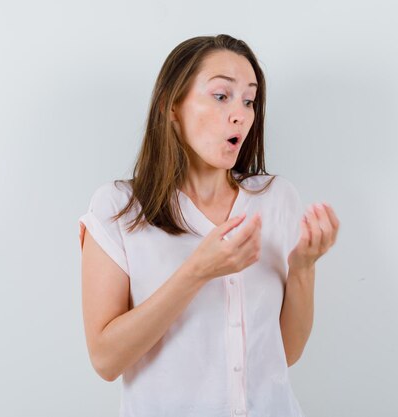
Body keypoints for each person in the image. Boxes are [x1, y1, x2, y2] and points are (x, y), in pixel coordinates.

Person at [78, 34, 339, 417]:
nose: (241, 114)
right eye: (222, 96)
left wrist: (303, 269)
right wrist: (198, 272)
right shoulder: (117, 208)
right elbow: (105, 360)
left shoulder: (277, 198)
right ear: (171, 106)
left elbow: (287, 353)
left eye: (249, 100)